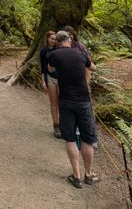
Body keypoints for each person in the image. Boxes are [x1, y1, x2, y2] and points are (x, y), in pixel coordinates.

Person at [47, 30, 99, 189]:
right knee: (87, 138)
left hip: (66, 101)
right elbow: (94, 68)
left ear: (57, 42)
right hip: (83, 101)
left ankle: (76, 176)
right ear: (69, 40)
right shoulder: (81, 54)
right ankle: (88, 174)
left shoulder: (54, 55)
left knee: (70, 138)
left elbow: (50, 70)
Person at [39, 31, 60, 138]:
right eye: (52, 38)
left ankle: (64, 125)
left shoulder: (59, 49)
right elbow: (43, 67)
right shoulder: (43, 51)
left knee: (62, 102)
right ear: (47, 39)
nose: (54, 41)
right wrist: (43, 81)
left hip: (61, 78)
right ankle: (56, 126)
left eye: (55, 39)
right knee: (53, 102)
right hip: (50, 78)